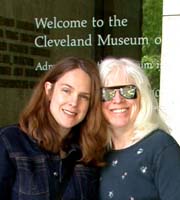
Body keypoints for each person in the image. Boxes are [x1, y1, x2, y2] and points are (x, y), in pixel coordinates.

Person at [0, 56, 107, 200]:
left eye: (84, 97)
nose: (74, 102)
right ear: (49, 90)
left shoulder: (88, 154)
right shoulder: (9, 143)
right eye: (66, 90)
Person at [98, 57, 180, 200]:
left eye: (128, 91)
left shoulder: (162, 148)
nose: (117, 100)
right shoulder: (97, 152)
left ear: (142, 97)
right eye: (107, 93)